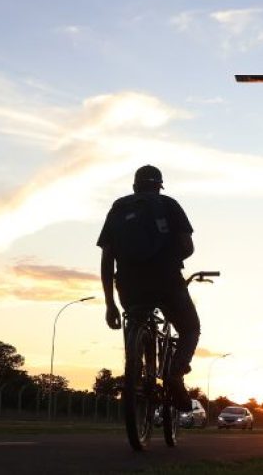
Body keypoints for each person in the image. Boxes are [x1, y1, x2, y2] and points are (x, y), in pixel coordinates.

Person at [97, 165, 199, 411]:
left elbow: (107, 259)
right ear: (159, 186)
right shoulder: (169, 205)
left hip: (129, 286)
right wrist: (171, 260)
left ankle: (137, 371)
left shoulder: (119, 208)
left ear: (134, 187)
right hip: (166, 281)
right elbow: (188, 246)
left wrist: (109, 304)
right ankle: (175, 374)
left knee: (136, 319)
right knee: (190, 329)